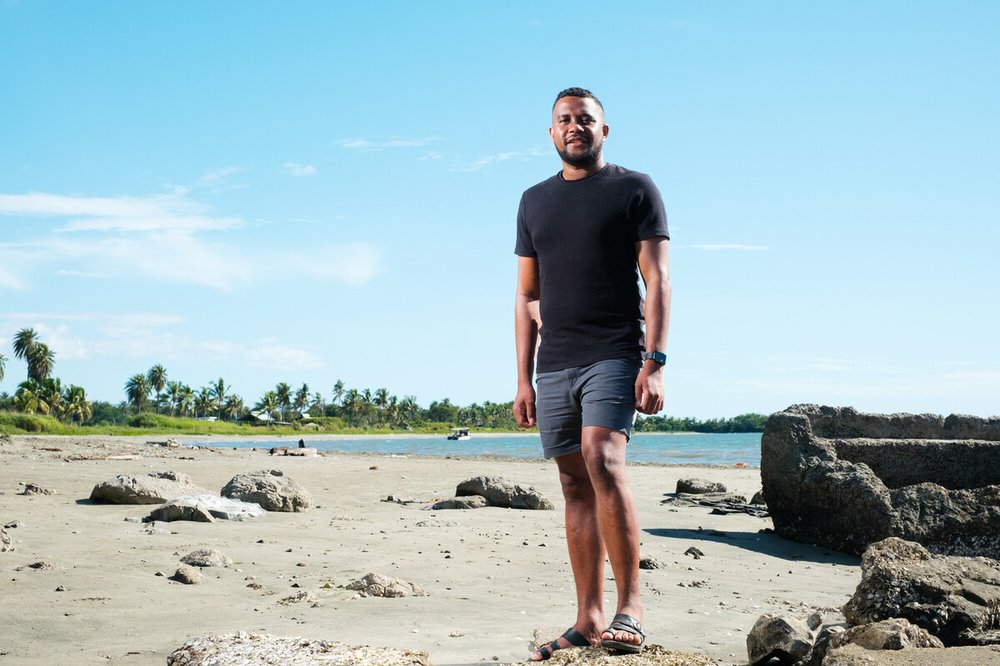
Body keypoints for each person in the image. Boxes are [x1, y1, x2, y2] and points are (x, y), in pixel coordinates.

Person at [513, 87, 670, 660]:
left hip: (615, 350)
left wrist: (654, 360)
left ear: (605, 131)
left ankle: (630, 607)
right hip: (554, 361)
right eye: (564, 120)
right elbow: (527, 295)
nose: (574, 127)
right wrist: (523, 377)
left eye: (585, 119)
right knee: (574, 483)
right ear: (551, 133)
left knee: (602, 457)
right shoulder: (533, 202)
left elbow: (658, 280)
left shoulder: (634, 189)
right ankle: (588, 617)